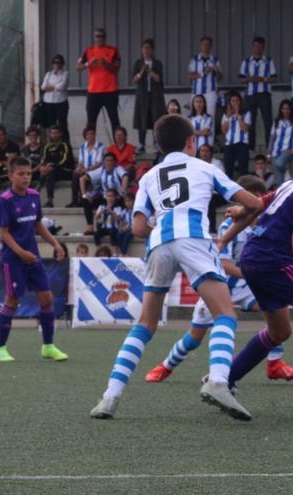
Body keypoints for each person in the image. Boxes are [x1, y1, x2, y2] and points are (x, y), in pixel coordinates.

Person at [90, 113, 263, 421]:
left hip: (159, 243)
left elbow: (139, 228)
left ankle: (109, 397)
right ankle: (219, 382)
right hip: (195, 239)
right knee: (225, 314)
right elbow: (255, 203)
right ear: (191, 142)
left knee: (145, 324)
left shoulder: (148, 176)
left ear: (158, 144)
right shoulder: (205, 167)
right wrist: (238, 210)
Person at [145, 176, 293, 383]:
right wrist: (225, 240)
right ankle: (166, 366)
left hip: (252, 277)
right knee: (195, 335)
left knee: (280, 329)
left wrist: (241, 217)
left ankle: (245, 373)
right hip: (225, 285)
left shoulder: (282, 191)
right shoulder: (231, 225)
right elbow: (224, 263)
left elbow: (261, 204)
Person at [218, 178, 293, 395]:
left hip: (254, 258)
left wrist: (223, 240)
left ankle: (224, 380)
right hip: (272, 261)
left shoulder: (287, 184)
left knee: (279, 332)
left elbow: (256, 206)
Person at [0, 157, 67, 363]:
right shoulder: (5, 200)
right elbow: (4, 233)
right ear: (11, 175)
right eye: (21, 174)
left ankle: (48, 346)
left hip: (33, 257)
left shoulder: (34, 196)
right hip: (13, 259)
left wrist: (55, 243)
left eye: (29, 174)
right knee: (12, 301)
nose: (26, 178)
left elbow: (38, 224)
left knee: (47, 299)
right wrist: (20, 252)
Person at [77, 27, 121, 131]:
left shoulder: (113, 50)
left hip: (110, 91)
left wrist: (105, 64)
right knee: (91, 122)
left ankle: (117, 146)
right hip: (93, 92)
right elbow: (78, 67)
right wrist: (89, 63)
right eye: (97, 36)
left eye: (102, 36)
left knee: (114, 120)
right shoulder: (88, 51)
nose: (100, 38)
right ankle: (91, 146)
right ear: (94, 38)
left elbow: (116, 69)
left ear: (105, 38)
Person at [239, 37, 277, 149]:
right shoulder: (246, 62)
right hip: (250, 95)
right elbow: (241, 79)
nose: (258, 48)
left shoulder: (269, 61)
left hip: (264, 94)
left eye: (260, 46)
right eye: (256, 46)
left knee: (267, 120)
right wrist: (249, 79)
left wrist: (263, 79)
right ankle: (251, 147)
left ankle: (269, 147)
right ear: (253, 46)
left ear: (263, 47)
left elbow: (274, 78)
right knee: (250, 120)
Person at [132, 39, 167, 153]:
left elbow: (158, 79)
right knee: (142, 117)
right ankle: (141, 143)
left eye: (148, 48)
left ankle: (156, 143)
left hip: (155, 95)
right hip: (142, 95)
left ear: (152, 50)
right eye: (144, 48)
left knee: (156, 117)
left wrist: (150, 71)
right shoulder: (138, 63)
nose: (146, 50)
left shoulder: (157, 63)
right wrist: (142, 71)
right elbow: (134, 80)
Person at [79, 153, 127, 232]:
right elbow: (82, 178)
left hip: (117, 197)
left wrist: (122, 191)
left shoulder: (118, 169)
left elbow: (125, 177)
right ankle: (90, 226)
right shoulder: (101, 169)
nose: (109, 163)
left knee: (124, 201)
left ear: (115, 162)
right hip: (105, 197)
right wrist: (84, 194)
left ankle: (122, 226)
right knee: (85, 200)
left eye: (111, 161)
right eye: (107, 161)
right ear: (104, 162)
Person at [37, 125, 74, 208]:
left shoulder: (65, 145)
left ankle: (47, 198)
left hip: (66, 170)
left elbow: (65, 159)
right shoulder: (47, 146)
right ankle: (39, 196)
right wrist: (43, 167)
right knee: (46, 173)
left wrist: (52, 165)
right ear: (50, 135)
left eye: (56, 133)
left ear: (60, 134)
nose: (54, 135)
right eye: (53, 133)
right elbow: (44, 159)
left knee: (49, 172)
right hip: (52, 171)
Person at [188, 36, 223, 121]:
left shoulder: (215, 60)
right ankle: (196, 134)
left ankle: (210, 134)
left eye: (208, 45)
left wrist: (216, 70)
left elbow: (221, 77)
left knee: (210, 117)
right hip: (196, 92)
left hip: (210, 92)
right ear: (200, 46)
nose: (205, 47)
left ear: (211, 47)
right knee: (195, 116)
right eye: (204, 44)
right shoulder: (194, 59)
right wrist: (204, 73)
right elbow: (190, 76)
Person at [70, 125, 105, 207]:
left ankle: (82, 200)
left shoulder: (100, 146)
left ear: (95, 135)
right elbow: (81, 162)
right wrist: (79, 169)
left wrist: (87, 169)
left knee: (82, 175)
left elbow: (99, 163)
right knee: (75, 174)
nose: (90, 136)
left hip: (96, 171)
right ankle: (75, 200)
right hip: (85, 170)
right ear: (85, 136)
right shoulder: (82, 147)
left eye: (92, 134)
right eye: (88, 134)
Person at [222, 91, 252, 178]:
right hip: (229, 144)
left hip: (242, 143)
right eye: (233, 101)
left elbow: (245, 129)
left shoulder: (246, 113)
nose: (235, 103)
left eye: (237, 100)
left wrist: (238, 115)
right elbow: (224, 130)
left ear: (240, 102)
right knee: (228, 169)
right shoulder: (226, 115)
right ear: (230, 102)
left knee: (243, 169)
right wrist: (227, 117)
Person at [41, 54, 69, 142]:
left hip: (61, 102)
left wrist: (51, 87)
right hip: (48, 102)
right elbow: (43, 87)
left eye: (59, 63)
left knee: (62, 125)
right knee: (51, 126)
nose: (57, 65)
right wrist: (55, 87)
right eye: (55, 63)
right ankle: (52, 144)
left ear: (62, 64)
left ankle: (65, 144)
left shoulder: (65, 73)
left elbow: (62, 86)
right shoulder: (48, 74)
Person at [0, 125, 19, 198]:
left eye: (1, 135)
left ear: (5, 135)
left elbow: (10, 163)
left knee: (12, 170)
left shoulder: (13, 146)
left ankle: (12, 194)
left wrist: (0, 162)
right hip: (0, 171)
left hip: (12, 169)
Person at [200, 144, 225, 233]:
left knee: (210, 200)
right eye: (202, 151)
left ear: (211, 153)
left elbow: (220, 181)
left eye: (207, 151)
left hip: (218, 194)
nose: (204, 153)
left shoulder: (217, 163)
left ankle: (212, 229)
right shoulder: (196, 164)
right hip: (202, 194)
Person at [269, 99, 293, 187]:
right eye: (284, 108)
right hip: (275, 151)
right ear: (281, 110)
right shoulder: (276, 121)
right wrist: (269, 153)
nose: (286, 111)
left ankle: (287, 173)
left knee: (278, 164)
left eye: (288, 108)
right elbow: (272, 137)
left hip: (287, 150)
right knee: (279, 180)